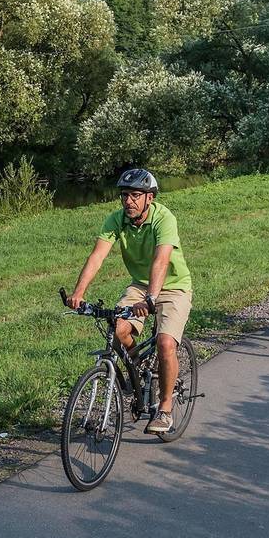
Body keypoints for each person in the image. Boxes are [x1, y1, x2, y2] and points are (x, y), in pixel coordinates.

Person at [67, 168, 194, 436]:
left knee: (165, 342)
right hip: (140, 285)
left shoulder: (163, 218)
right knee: (118, 331)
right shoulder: (117, 220)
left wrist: (152, 298)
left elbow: (161, 260)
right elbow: (97, 256)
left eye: (135, 195)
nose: (128, 201)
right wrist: (78, 293)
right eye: (124, 195)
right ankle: (138, 369)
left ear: (149, 198)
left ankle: (165, 407)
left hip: (173, 287)